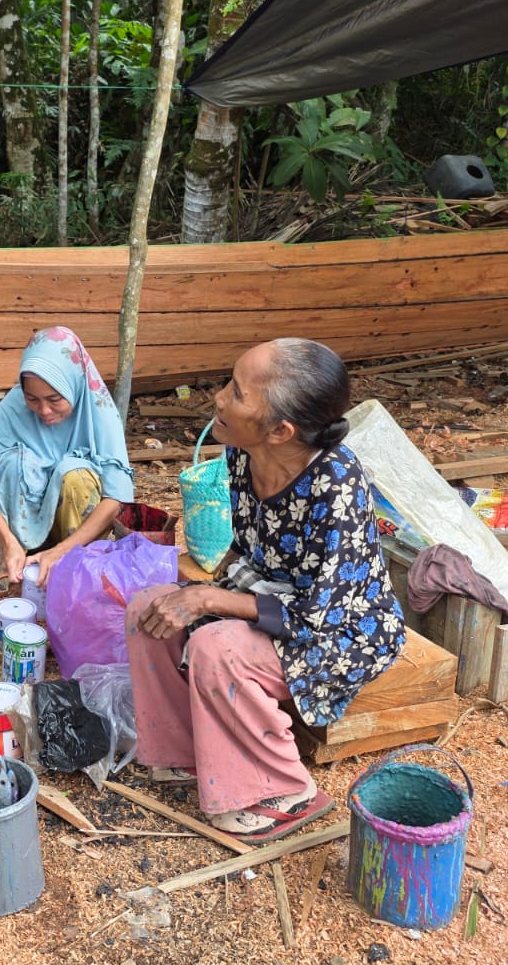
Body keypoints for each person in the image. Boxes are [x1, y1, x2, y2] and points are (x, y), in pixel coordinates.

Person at [125, 338, 405, 843]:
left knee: (216, 647)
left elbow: (319, 616)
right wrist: (206, 591)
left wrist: (209, 600)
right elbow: (248, 551)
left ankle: (285, 790)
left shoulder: (336, 486)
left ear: (281, 430)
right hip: (269, 595)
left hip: (342, 632)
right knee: (148, 607)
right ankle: (183, 752)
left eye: (236, 392)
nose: (218, 397)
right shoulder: (241, 453)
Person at [0, 326, 135, 587]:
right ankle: (18, 552)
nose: (44, 410)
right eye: (32, 399)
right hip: (24, 530)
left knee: (75, 476)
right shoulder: (14, 407)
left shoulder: (99, 411)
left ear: (73, 384)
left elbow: (117, 498)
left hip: (78, 533)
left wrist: (62, 551)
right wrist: (7, 541)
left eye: (55, 399)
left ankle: (78, 562)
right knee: (12, 462)